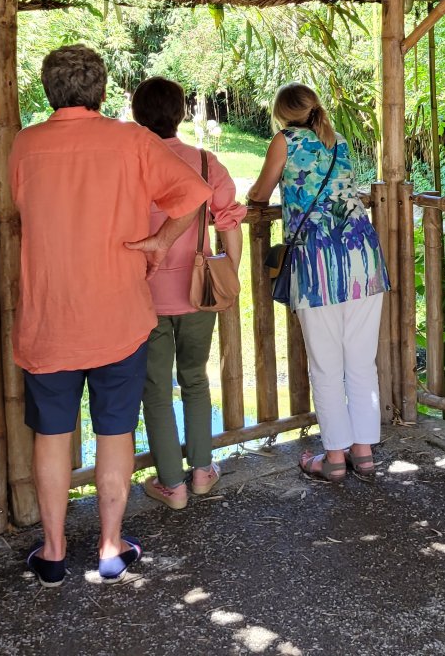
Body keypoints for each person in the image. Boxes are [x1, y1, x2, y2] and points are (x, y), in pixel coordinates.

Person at [11, 45, 209, 587]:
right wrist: (160, 241)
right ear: (101, 90)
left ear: (48, 90)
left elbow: (23, 204)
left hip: (48, 315)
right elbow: (194, 193)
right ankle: (109, 547)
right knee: (115, 430)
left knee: (50, 436)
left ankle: (52, 552)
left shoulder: (25, 145)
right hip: (120, 312)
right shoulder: (132, 141)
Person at [247, 83, 388, 484]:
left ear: (282, 113)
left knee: (326, 365)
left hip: (318, 262)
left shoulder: (285, 140)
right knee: (361, 361)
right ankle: (363, 454)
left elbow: (261, 191)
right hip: (363, 258)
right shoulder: (338, 139)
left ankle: (335, 459)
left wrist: (254, 200)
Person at [131, 77, 246, 509]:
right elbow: (228, 222)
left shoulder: (131, 162)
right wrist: (229, 272)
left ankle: (171, 486)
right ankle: (201, 472)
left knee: (155, 388)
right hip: (198, 290)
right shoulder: (204, 162)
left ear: (138, 117)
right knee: (195, 378)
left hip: (142, 293)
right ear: (180, 113)